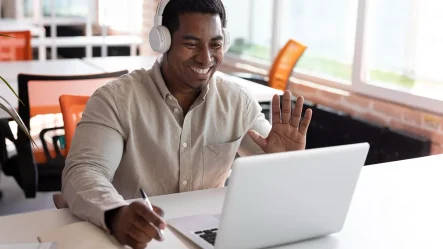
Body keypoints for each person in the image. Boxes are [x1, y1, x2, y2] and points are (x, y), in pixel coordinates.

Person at [61, 0, 313, 248]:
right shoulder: (116, 99)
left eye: (215, 45)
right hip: (136, 236)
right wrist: (115, 213)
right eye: (191, 44)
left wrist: (285, 163)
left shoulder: (237, 101)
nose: (206, 58)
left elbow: (273, 180)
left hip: (207, 234)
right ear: (162, 42)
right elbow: (84, 171)